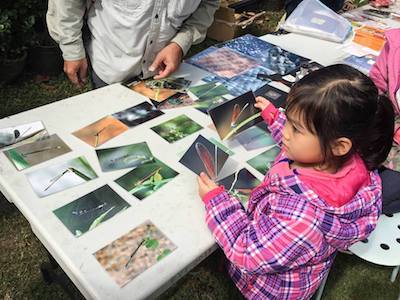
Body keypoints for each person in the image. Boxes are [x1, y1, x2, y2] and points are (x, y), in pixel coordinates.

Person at [197, 64, 394, 299]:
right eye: (289, 122)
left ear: (339, 145)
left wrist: (218, 203)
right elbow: (304, 143)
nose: (287, 134)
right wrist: (274, 118)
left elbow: (248, 253)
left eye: (296, 128)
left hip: (270, 288)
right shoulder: (347, 162)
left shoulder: (301, 218)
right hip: (288, 256)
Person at [46, 0, 219, 88]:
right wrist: (72, 50)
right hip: (112, 68)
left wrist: (180, 44)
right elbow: (66, 4)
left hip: (165, 72)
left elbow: (208, 4)